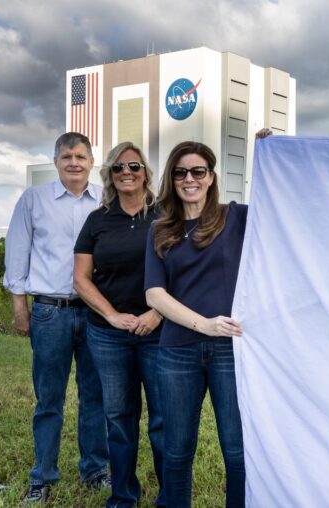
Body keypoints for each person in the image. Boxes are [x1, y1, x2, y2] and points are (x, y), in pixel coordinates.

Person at [4, 132, 109, 503]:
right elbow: (17, 254)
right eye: (67, 156)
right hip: (51, 312)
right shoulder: (34, 200)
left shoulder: (107, 200)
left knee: (95, 396)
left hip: (97, 314)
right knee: (49, 398)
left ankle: (95, 470)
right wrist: (21, 307)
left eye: (81, 156)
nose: (75, 163)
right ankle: (42, 476)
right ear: (56, 161)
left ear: (92, 162)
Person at [144, 140, 249, 507]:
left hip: (229, 350)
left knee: (237, 451)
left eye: (198, 171)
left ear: (211, 177)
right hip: (176, 351)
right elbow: (154, 295)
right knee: (176, 452)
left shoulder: (235, 217)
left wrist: (270, 150)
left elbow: (285, 203)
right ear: (172, 179)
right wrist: (202, 324)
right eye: (180, 172)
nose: (189, 178)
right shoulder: (160, 228)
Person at [73, 142, 165, 507]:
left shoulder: (165, 214)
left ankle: (170, 496)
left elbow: (182, 271)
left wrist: (157, 313)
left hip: (158, 332)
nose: (127, 172)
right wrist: (111, 315)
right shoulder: (97, 220)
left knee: (162, 418)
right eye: (118, 168)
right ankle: (124, 496)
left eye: (134, 166)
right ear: (109, 175)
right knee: (119, 417)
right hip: (108, 334)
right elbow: (81, 278)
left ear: (145, 172)